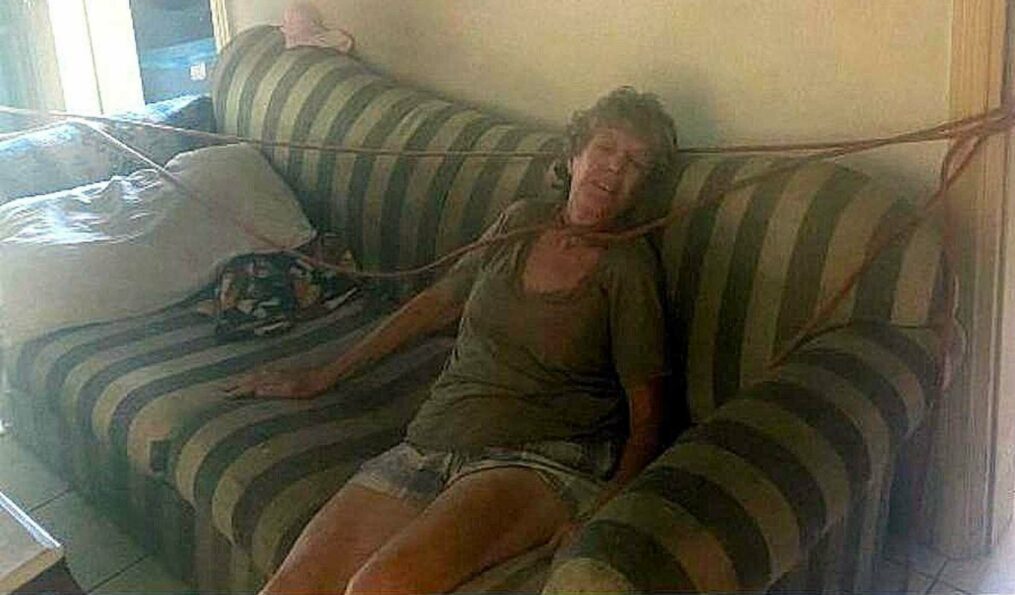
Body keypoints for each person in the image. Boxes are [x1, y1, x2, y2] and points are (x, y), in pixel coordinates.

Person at [224, 87, 677, 595]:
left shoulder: (629, 268)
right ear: (574, 156)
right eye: (606, 148)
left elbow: (648, 419)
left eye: (636, 163)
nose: (615, 168)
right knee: (291, 587)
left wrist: (607, 505)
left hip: (538, 458)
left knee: (378, 587)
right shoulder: (520, 221)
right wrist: (322, 376)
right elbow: (437, 303)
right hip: (433, 440)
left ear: (643, 189)